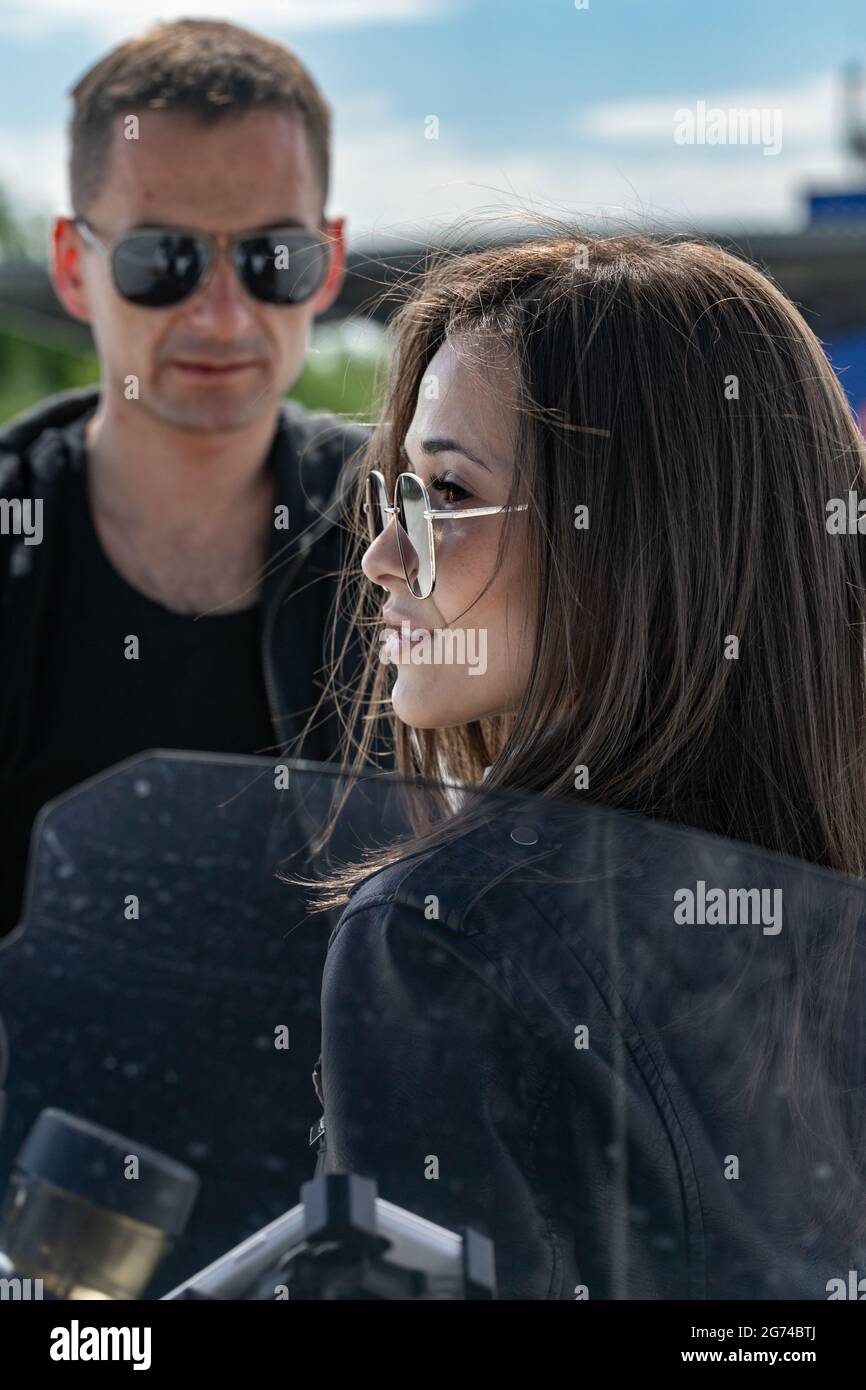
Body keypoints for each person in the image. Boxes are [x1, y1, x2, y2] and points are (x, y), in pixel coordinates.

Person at [308, 230, 866, 1298]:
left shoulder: (443, 931)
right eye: (395, 491)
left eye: (447, 493)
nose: (381, 555)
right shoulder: (812, 910)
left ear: (627, 537)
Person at [0, 19, 370, 937]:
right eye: (162, 259)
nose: (220, 314)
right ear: (75, 266)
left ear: (327, 261)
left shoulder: (418, 542)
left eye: (270, 259)